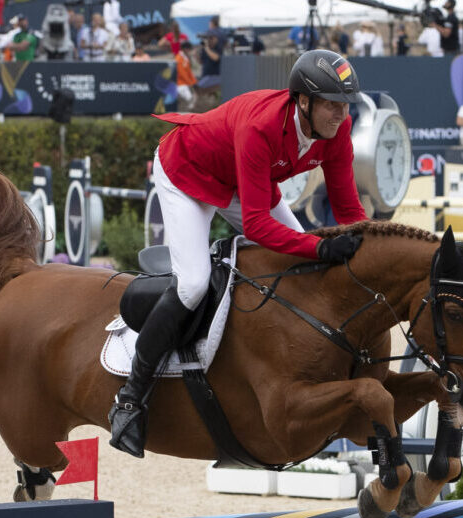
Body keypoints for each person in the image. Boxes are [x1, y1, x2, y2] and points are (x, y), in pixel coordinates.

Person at [107, 49, 370, 457]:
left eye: (345, 105)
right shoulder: (262, 126)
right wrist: (320, 245)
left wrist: (366, 251)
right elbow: (260, 226)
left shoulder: (336, 131)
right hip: (187, 172)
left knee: (305, 267)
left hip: (241, 179)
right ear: (303, 101)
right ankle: (130, 399)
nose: (341, 114)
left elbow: (350, 212)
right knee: (193, 284)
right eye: (332, 105)